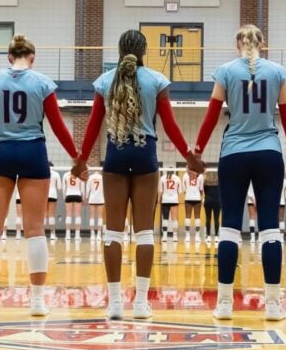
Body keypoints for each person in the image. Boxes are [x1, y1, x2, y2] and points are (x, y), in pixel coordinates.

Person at [73, 29, 204, 320]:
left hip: (116, 153)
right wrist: (189, 157)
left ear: (119, 49)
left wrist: (81, 159)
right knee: (144, 231)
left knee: (113, 231)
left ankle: (115, 303)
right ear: (144, 51)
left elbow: (94, 125)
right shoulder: (156, 81)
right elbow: (169, 124)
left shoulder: (104, 81)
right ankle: (142, 303)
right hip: (145, 154)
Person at [0, 33, 81, 316]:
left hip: (0, 152)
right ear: (32, 57)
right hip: (33, 153)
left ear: (8, 57)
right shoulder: (42, 83)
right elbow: (57, 126)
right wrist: (77, 157)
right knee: (35, 230)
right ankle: (37, 301)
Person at [194, 25, 286, 322]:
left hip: (233, 154)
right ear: (262, 44)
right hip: (269, 153)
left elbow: (211, 115)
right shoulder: (278, 72)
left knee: (229, 227)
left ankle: (225, 303)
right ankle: (273, 305)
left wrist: (197, 151)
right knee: (269, 228)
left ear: (237, 43)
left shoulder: (225, 71)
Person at [63, 165, 85, 241]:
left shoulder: (66, 175)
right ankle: (77, 235)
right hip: (77, 195)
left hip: (68, 195)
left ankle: (67, 235)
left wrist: (64, 197)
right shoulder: (80, 175)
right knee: (77, 215)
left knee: (68, 215)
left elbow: (63, 188)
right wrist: (84, 198)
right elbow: (82, 188)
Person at [160, 169, 182, 243]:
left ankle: (165, 236)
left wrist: (160, 200)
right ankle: (175, 236)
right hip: (174, 200)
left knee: (165, 218)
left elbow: (160, 190)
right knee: (174, 219)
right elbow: (180, 191)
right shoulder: (178, 178)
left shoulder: (162, 178)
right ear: (174, 171)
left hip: (165, 200)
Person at [183, 168, 204, 245]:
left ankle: (187, 236)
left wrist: (188, 192)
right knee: (197, 216)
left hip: (188, 197)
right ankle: (197, 236)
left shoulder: (185, 175)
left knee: (187, 216)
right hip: (197, 198)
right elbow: (201, 189)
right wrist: (201, 196)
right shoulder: (200, 176)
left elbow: (184, 188)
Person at [202, 171, 221, 245]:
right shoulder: (219, 182)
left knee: (208, 218)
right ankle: (216, 236)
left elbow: (205, 191)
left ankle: (208, 236)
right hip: (217, 201)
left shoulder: (206, 182)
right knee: (216, 218)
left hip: (208, 200)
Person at [87, 169, 104, 246]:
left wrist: (86, 197)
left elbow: (88, 189)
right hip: (100, 198)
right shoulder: (102, 177)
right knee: (100, 217)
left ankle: (92, 235)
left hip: (92, 198)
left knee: (92, 217)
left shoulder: (90, 177)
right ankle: (99, 235)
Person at [46, 167, 62, 241]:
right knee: (51, 215)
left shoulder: (43, 172)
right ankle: (52, 234)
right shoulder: (56, 174)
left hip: (44, 194)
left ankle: (42, 234)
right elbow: (59, 187)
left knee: (44, 215)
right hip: (53, 194)